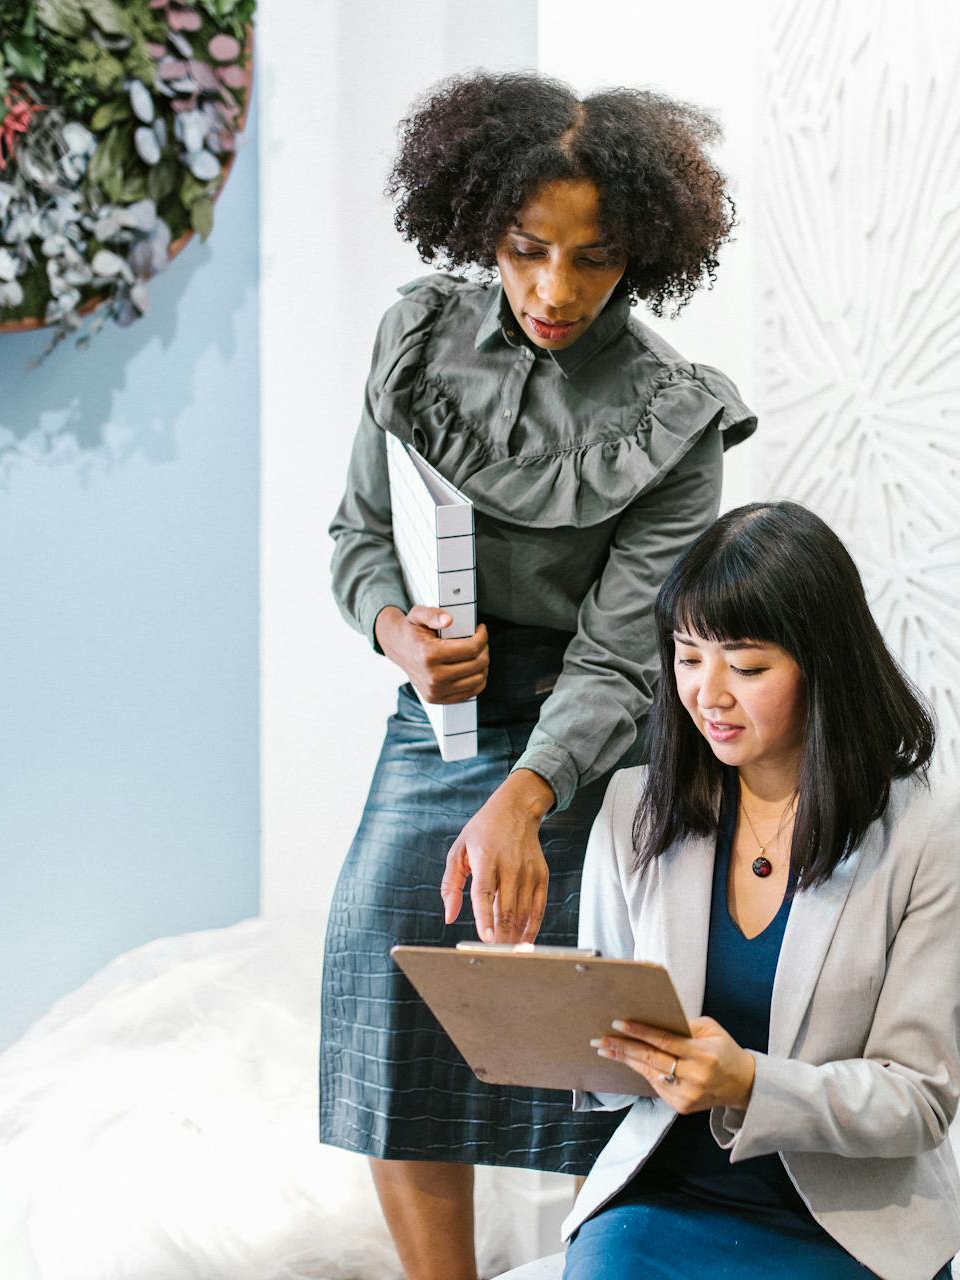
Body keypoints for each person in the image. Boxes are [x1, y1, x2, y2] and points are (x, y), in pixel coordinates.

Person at [320, 71, 755, 1280]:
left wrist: (528, 793)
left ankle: (598, 1262)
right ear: (481, 229)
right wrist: (398, 636)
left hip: (603, 745)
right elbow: (356, 536)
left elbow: (625, 653)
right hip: (439, 725)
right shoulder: (413, 340)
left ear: (646, 253)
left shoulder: (676, 422)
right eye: (525, 251)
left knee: (595, 1036)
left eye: (595, 259)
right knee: (383, 975)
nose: (556, 290)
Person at [563, 502, 960, 1280]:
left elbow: (920, 1099)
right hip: (664, 1202)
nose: (708, 695)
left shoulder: (930, 830)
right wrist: (538, 1011)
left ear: (823, 664)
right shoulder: (637, 806)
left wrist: (750, 1082)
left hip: (852, 1225)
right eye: (687, 658)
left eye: (747, 666)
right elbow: (605, 1037)